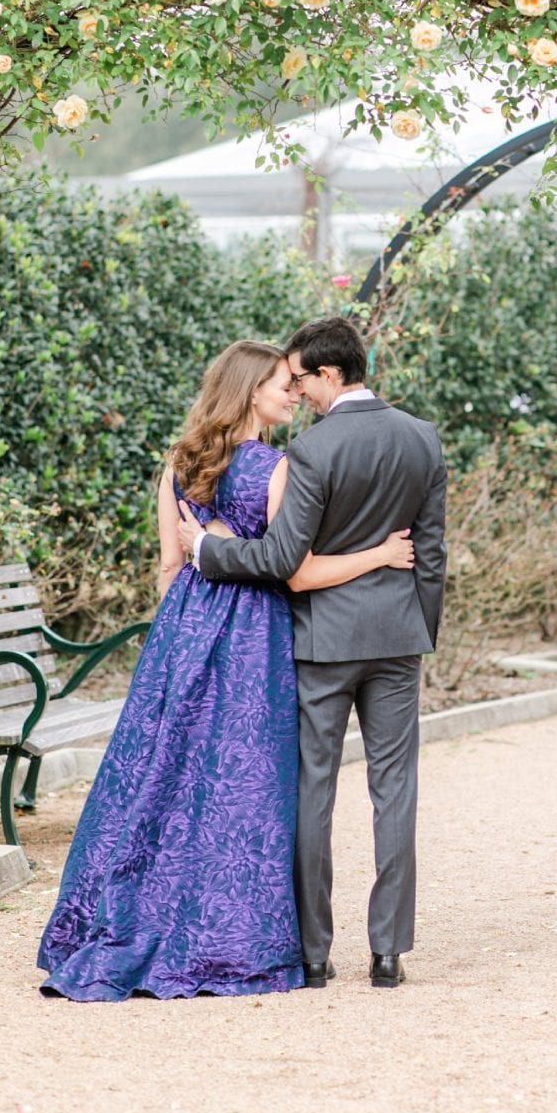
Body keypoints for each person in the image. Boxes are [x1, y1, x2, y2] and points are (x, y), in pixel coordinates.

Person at [38, 339, 415, 1002]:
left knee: (164, 784)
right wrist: (380, 554)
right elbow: (292, 572)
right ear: (247, 391)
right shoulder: (274, 468)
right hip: (251, 643)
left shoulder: (180, 463)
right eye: (279, 384)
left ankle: (128, 918)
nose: (292, 393)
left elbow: (168, 568)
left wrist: (174, 645)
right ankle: (227, 940)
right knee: (240, 795)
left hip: (181, 636)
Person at [178, 315, 447, 991]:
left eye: (301, 378)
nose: (297, 392)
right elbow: (433, 556)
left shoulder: (315, 452)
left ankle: (315, 953)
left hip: (321, 640)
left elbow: (279, 558)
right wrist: (420, 631)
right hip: (397, 639)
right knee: (396, 790)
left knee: (313, 793)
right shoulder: (423, 438)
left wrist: (207, 551)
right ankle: (388, 952)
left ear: (331, 374)